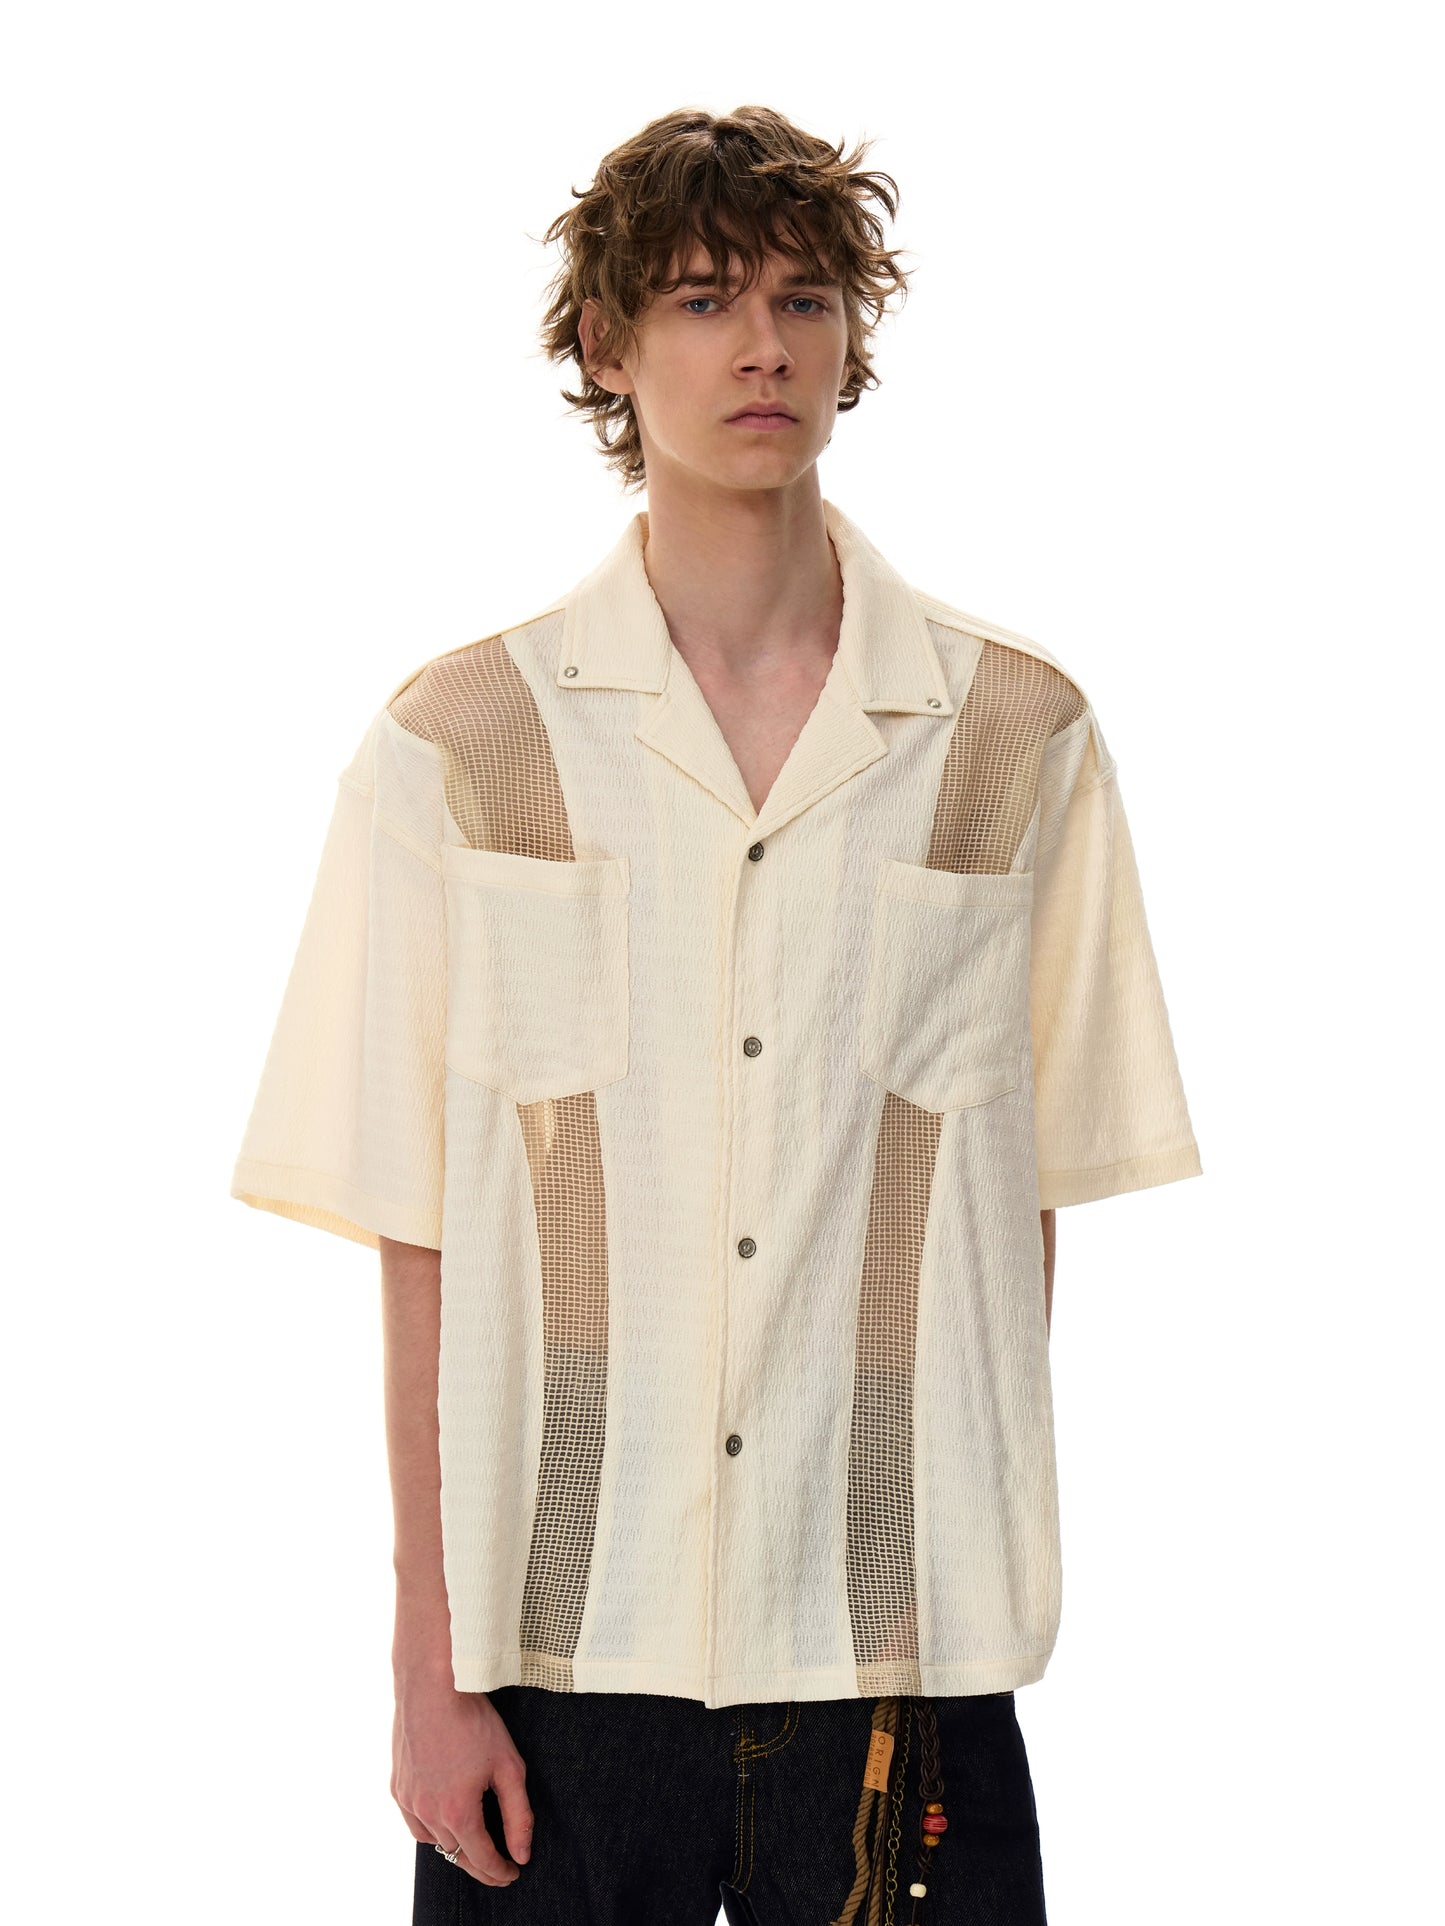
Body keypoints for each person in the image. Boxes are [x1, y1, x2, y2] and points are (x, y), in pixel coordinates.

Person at [230, 103, 1201, 1925]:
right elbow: (417, 1236)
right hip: (561, 1666)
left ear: (851, 336)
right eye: (700, 299)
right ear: (606, 345)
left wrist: (922, 1568)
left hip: (899, 1662)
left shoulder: (1014, 739)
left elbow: (1025, 1211)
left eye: (803, 298)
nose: (763, 345)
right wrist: (427, 1669)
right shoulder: (463, 747)